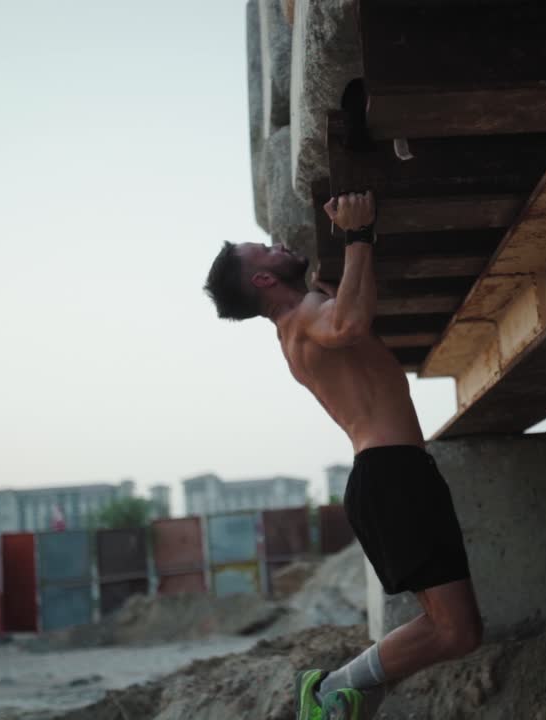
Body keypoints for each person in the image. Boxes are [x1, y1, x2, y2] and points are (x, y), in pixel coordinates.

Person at [203, 191, 483, 719]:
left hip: (388, 477)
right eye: (265, 249)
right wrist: (358, 234)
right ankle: (331, 690)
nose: (278, 243)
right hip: (393, 478)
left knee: (454, 628)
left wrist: (353, 246)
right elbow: (349, 323)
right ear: (264, 281)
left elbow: (346, 309)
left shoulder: (295, 327)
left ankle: (338, 691)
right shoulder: (307, 314)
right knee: (457, 630)